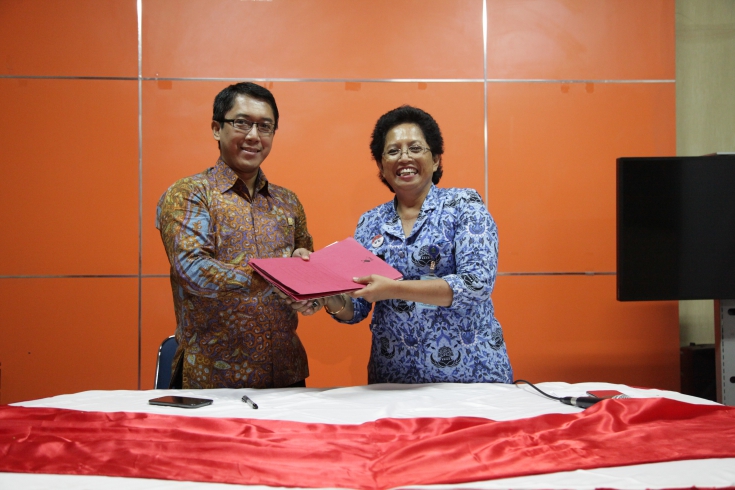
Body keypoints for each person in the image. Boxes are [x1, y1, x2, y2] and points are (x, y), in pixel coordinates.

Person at [321, 105, 513, 384]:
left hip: (471, 375)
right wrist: (325, 292)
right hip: (394, 379)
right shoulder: (370, 222)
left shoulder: (464, 205)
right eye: (393, 151)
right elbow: (357, 308)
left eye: (415, 148)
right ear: (381, 166)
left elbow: (476, 284)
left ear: (435, 159)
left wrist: (394, 289)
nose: (404, 157)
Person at [156, 82, 320, 389]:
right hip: (211, 378)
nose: (254, 136)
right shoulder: (189, 194)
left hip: (286, 375)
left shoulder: (288, 202)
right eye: (242, 123)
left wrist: (310, 294)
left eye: (265, 126)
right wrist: (278, 278)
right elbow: (192, 270)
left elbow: (308, 272)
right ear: (217, 129)